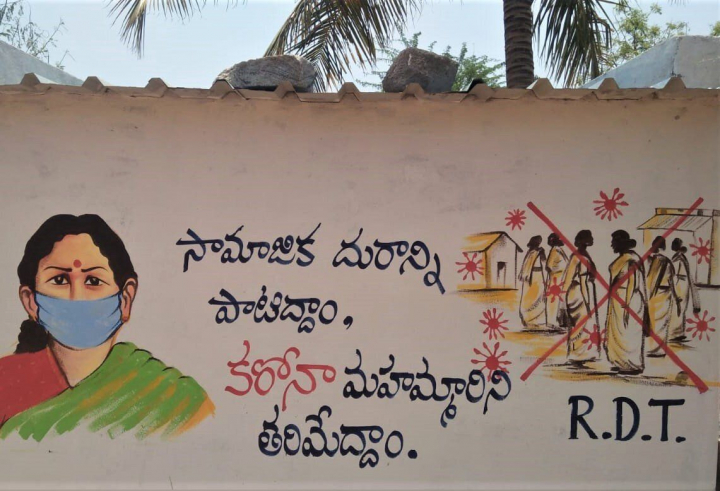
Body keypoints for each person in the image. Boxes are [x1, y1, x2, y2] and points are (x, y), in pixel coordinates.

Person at [0, 214, 214, 441]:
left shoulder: (177, 401)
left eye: (93, 281)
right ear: (30, 301)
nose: (77, 297)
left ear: (125, 299)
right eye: (60, 280)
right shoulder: (7, 386)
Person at [605, 230, 648, 374]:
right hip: (618, 300)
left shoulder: (631, 259)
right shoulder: (623, 258)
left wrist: (627, 303)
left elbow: (633, 282)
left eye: (614, 242)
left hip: (628, 300)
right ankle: (620, 361)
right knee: (618, 332)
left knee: (628, 332)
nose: (612, 244)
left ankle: (632, 365)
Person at [562, 230, 599, 364]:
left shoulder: (583, 255)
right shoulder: (577, 257)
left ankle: (585, 353)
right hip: (579, 293)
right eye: (590, 238)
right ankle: (577, 354)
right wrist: (587, 301)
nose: (592, 240)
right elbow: (570, 279)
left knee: (585, 323)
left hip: (584, 291)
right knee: (580, 322)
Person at [645, 236, 681, 357]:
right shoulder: (666, 261)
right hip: (665, 294)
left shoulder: (650, 260)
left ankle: (652, 348)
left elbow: (647, 279)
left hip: (652, 294)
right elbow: (671, 281)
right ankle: (659, 349)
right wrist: (676, 298)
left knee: (652, 321)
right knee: (662, 323)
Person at [669, 238, 701, 342]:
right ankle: (676, 333)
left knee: (680, 308)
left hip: (681, 284)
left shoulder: (678, 257)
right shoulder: (679, 257)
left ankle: (677, 333)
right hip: (681, 284)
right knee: (679, 308)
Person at [519, 235, 547, 330]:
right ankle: (528, 318)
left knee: (538, 297)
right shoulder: (530, 252)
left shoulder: (539, 252)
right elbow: (525, 267)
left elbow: (544, 263)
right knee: (529, 297)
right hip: (531, 278)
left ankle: (537, 320)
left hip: (537, 277)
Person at [545, 233, 569, 331]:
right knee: (554, 301)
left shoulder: (558, 250)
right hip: (556, 279)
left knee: (561, 301)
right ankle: (552, 322)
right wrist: (554, 274)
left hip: (561, 279)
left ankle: (561, 322)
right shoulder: (554, 250)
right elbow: (548, 266)